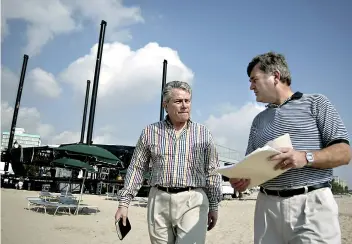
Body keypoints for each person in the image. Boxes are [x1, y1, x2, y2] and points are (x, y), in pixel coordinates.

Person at [230, 51, 351, 244]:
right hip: (266, 209)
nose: (251, 86)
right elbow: (249, 165)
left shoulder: (316, 103)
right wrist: (242, 178)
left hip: (311, 205)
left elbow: (344, 153)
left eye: (254, 80)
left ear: (276, 76)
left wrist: (306, 157)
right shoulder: (258, 121)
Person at [115, 80, 222, 244]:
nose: (184, 105)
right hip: (159, 200)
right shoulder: (150, 132)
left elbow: (213, 171)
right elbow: (136, 168)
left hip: (193, 199)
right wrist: (124, 204)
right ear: (165, 105)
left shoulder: (203, 133)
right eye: (179, 101)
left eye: (187, 101)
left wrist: (214, 206)